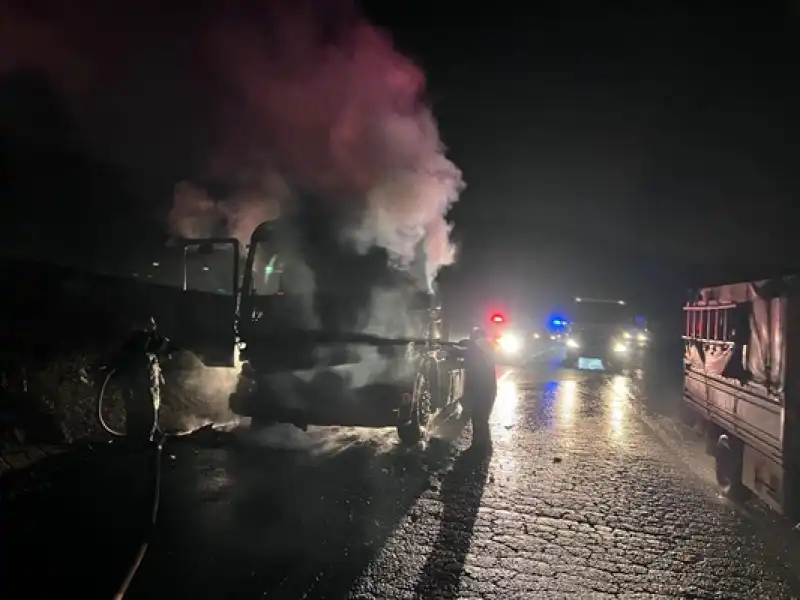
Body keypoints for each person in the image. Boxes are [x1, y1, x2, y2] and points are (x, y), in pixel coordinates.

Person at [463, 326, 498, 447]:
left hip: (481, 389)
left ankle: (479, 446)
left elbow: (468, 353)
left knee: (478, 417)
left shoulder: (479, 345)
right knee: (482, 418)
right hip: (489, 388)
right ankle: (484, 445)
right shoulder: (487, 345)